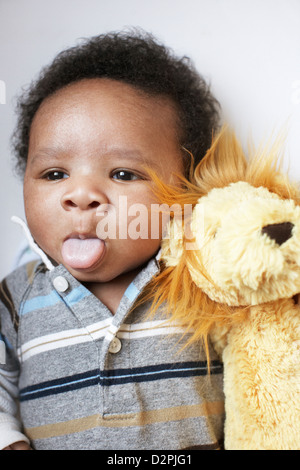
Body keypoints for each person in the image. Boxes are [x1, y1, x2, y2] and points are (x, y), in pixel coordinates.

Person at [0, 30, 224, 450]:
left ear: (186, 188)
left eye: (123, 174)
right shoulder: (16, 298)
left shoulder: (204, 279)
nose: (80, 195)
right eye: (54, 174)